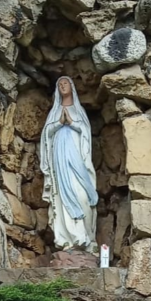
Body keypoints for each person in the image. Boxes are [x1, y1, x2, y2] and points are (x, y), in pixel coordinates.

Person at [39, 75, 99, 251]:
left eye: (65, 83)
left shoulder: (79, 111)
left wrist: (71, 123)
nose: (63, 86)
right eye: (60, 84)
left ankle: (86, 236)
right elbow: (47, 134)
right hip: (59, 160)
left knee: (82, 195)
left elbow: (85, 132)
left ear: (72, 86)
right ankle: (68, 239)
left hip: (77, 159)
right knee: (61, 196)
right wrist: (59, 123)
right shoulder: (54, 112)